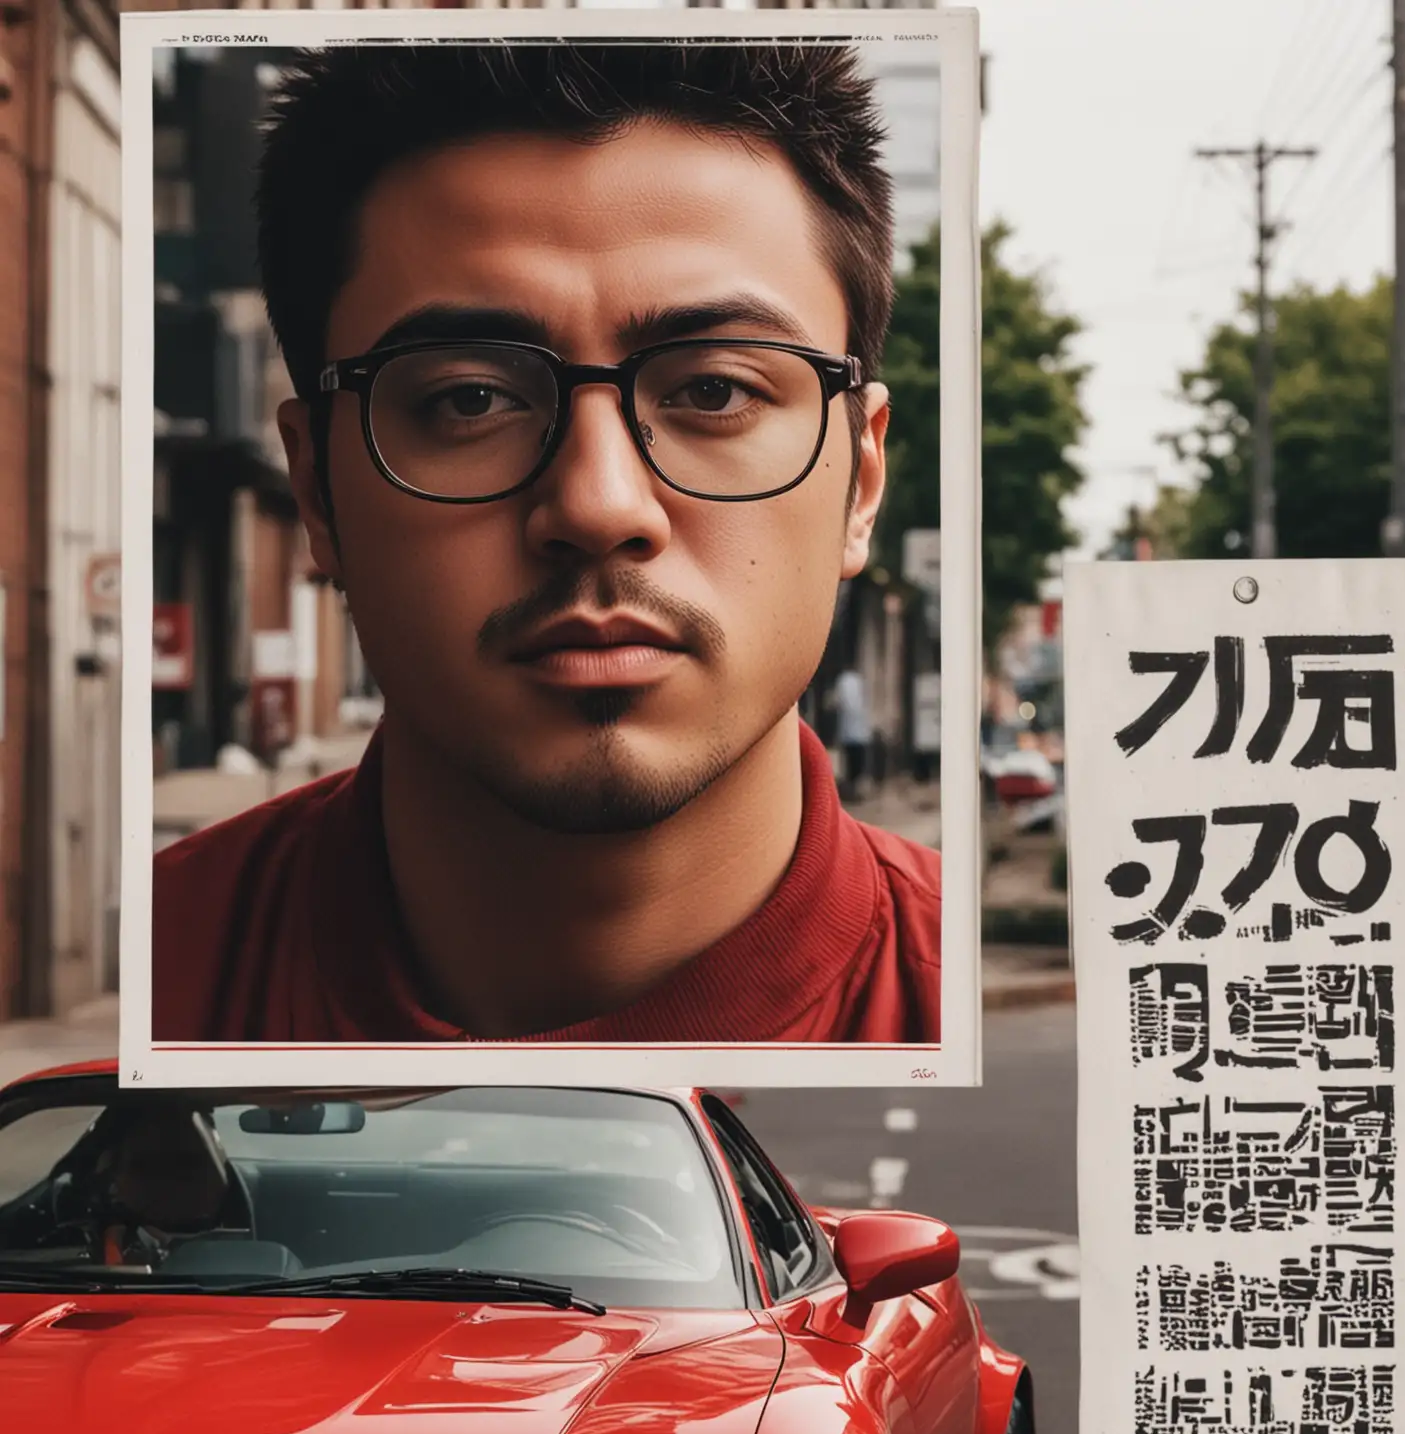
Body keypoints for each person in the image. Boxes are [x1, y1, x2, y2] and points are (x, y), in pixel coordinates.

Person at [153, 42, 940, 1047]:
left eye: (714, 391)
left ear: (861, 482)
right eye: (470, 399)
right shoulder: (156, 982)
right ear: (316, 489)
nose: (601, 506)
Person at [831, 665, 872, 801]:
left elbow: (836, 703)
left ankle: (852, 790)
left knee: (851, 763)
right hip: (858, 732)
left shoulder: (842, 681)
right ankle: (853, 790)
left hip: (850, 732)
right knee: (857, 763)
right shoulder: (858, 681)